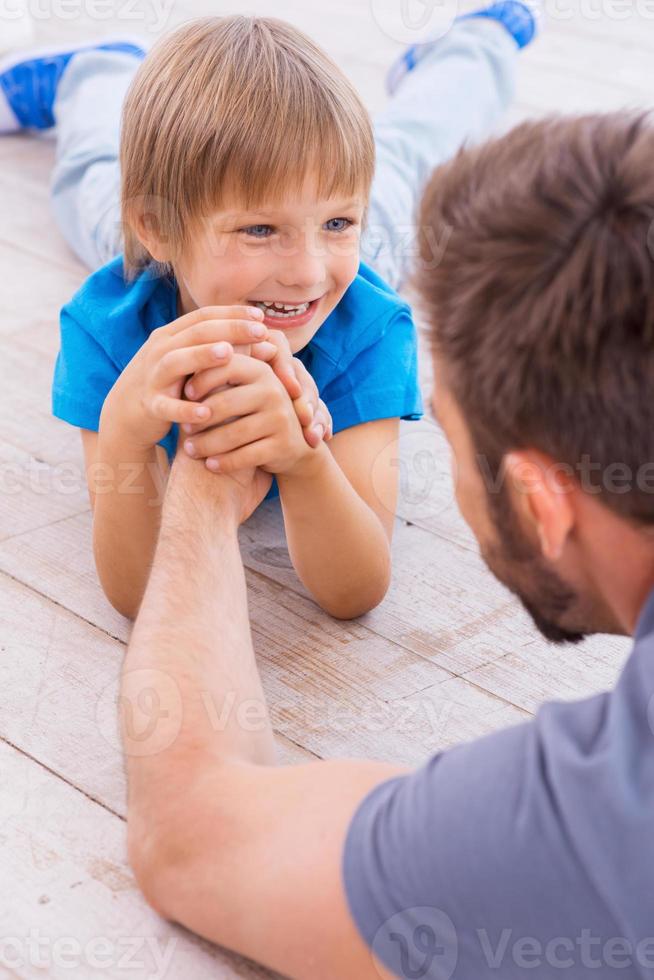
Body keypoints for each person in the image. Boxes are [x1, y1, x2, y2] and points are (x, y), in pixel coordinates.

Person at [121, 111, 654, 979]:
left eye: (446, 431)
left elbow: (190, 837)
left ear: (542, 503)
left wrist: (204, 480)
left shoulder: (603, 816)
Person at [1, 7, 534, 621]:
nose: (305, 271)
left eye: (338, 221)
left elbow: (355, 592)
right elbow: (140, 598)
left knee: (408, 155)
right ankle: (95, 70)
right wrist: (123, 429)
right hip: (159, 262)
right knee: (93, 188)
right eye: (258, 228)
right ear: (157, 228)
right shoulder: (111, 329)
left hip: (367, 243)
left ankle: (481, 39)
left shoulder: (365, 327)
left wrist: (306, 462)